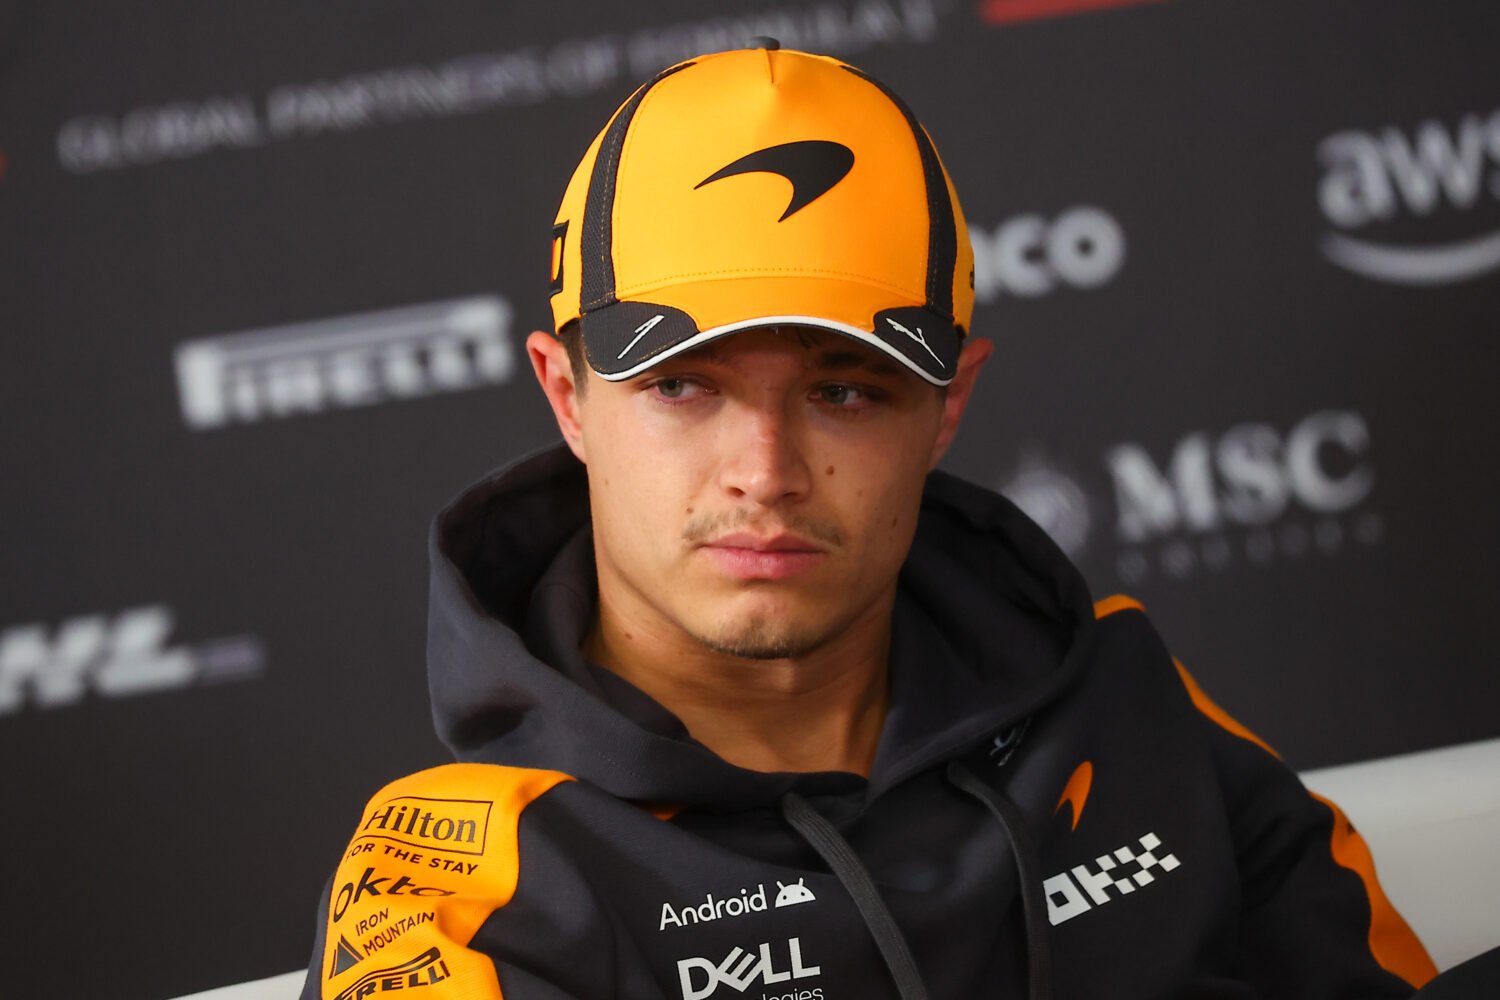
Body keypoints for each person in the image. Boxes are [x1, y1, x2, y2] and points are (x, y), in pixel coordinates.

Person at [301, 42, 1436, 999]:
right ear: (568, 398)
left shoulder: (1127, 701)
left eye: (844, 392)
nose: (766, 473)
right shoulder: (460, 887)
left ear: (950, 408)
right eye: (682, 386)